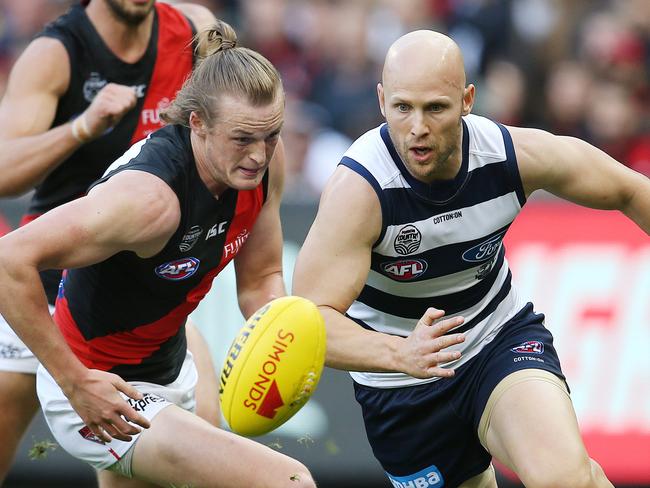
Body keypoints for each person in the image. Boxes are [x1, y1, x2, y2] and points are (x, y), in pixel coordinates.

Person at [293, 30, 649, 488]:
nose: (417, 126)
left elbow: (630, 188)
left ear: (467, 100)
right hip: (399, 389)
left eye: (435, 108)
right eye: (403, 107)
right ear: (381, 101)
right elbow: (308, 320)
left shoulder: (510, 156)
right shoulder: (359, 192)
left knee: (566, 478)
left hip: (495, 340)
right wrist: (401, 353)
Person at [0, 21, 316, 488]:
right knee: (290, 481)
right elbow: (8, 261)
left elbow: (261, 276)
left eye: (271, 135)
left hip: (170, 359)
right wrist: (75, 382)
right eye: (243, 139)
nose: (259, 154)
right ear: (197, 123)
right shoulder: (149, 201)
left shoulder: (266, 158)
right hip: (98, 388)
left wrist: (281, 343)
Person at [0, 1, 222, 486]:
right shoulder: (57, 53)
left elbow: (240, 117)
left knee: (201, 439)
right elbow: (3, 172)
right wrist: (82, 126)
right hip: (51, 278)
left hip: (141, 287)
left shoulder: (194, 32)